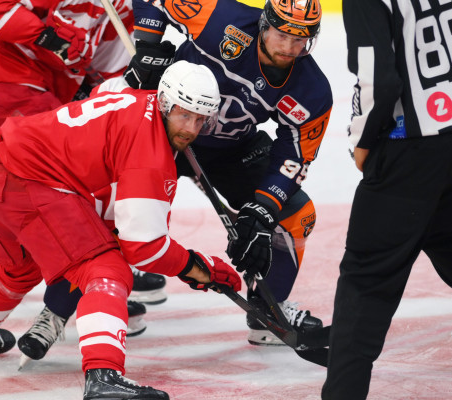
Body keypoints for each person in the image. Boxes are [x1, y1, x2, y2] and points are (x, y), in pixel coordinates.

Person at [0, 60, 241, 400]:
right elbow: (144, 248)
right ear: (166, 103)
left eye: (201, 119)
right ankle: (103, 375)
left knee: (17, 270)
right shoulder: (150, 154)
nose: (191, 129)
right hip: (30, 183)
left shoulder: (136, 97)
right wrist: (198, 266)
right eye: (185, 115)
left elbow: (103, 91)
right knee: (106, 270)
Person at [0, 0, 163, 324]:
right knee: (70, 191)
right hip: (7, 86)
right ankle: (85, 288)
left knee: (1, 201)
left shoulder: (121, 11)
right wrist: (48, 37)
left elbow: (105, 80)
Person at [128, 0, 333, 346]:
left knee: (299, 216)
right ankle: (110, 291)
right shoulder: (220, 19)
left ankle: (267, 311)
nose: (289, 48)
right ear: (264, 24)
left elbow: (295, 157)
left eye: (301, 40)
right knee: (117, 204)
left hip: (231, 147)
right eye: (283, 35)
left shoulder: (311, 90)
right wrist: (148, 45)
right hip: (164, 128)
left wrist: (262, 209)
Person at [321, 1, 452, 399]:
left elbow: (378, 81)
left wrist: (362, 141)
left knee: (366, 278)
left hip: (415, 148)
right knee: (444, 232)